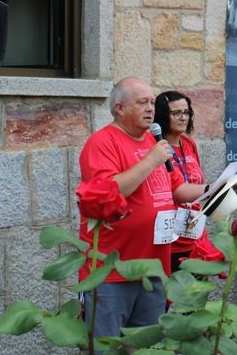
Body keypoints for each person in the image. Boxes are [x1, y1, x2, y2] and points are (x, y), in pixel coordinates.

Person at [78, 78, 209, 342]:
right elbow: (109, 192)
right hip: (113, 272)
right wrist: (151, 161)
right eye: (142, 103)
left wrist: (215, 187)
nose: (151, 108)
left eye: (152, 102)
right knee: (107, 347)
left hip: (153, 269)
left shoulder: (153, 141)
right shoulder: (103, 142)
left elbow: (178, 190)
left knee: (148, 347)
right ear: (119, 108)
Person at [155, 90, 211, 270]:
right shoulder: (156, 147)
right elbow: (174, 190)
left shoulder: (189, 144)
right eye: (176, 113)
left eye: (186, 112)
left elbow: (195, 182)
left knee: (193, 293)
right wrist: (214, 188)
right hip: (168, 235)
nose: (183, 117)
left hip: (193, 231)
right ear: (164, 115)